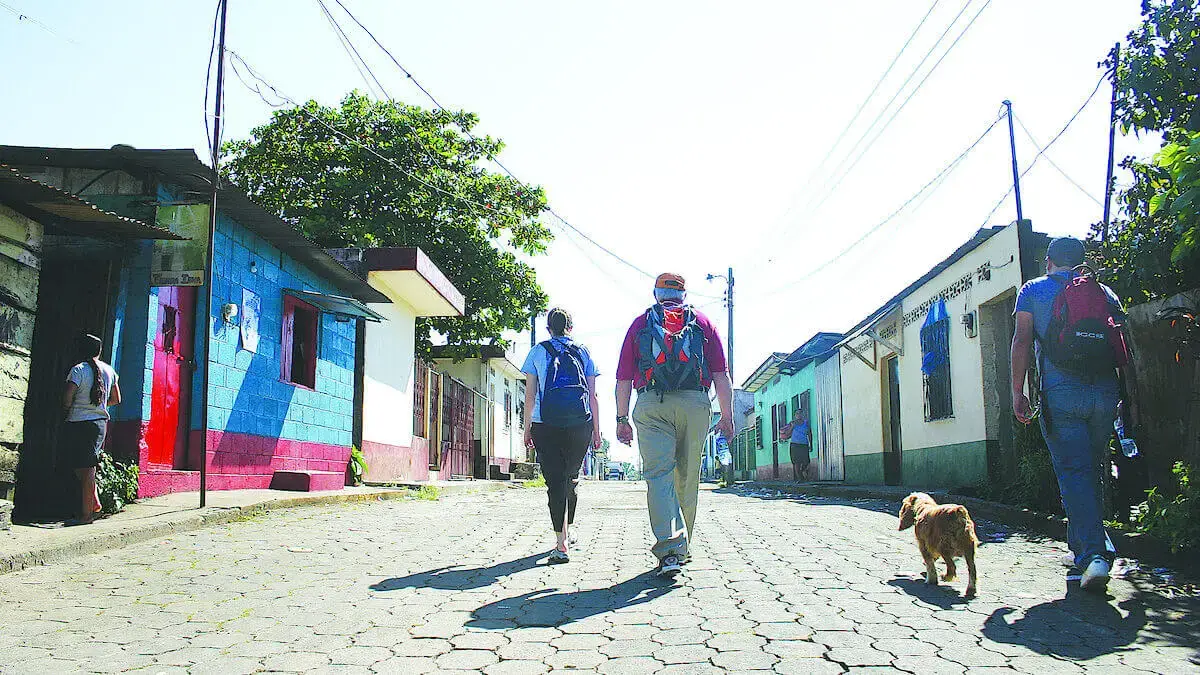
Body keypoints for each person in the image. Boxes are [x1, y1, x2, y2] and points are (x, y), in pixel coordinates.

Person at [1010, 236, 1137, 593]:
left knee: (1074, 472)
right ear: (1080, 261)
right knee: (1089, 470)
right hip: (1104, 394)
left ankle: (1094, 556)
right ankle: (1086, 548)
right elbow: (1122, 343)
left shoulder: (1033, 290)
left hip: (1061, 394)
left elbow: (1021, 341)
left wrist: (1017, 392)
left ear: (1049, 261)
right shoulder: (1105, 292)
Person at [615, 273, 734, 577]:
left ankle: (670, 548)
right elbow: (721, 375)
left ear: (656, 294)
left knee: (659, 476)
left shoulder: (640, 324)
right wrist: (727, 417)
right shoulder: (702, 323)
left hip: (652, 403)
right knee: (687, 478)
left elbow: (624, 378)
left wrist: (621, 419)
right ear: (683, 295)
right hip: (695, 404)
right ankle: (683, 548)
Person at [522, 308, 602, 564]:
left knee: (554, 482)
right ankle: (569, 529)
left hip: (545, 423)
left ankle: (561, 542)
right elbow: (592, 396)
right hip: (581, 424)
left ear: (548, 328)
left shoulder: (538, 351)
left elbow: (530, 395)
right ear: (571, 327)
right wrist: (597, 432)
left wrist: (526, 428)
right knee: (571, 479)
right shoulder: (583, 352)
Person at [62, 333, 121, 525]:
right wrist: (98, 406)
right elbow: (116, 399)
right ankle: (93, 500)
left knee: (84, 468)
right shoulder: (109, 370)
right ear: (99, 351)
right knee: (84, 466)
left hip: (77, 422)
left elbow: (67, 398)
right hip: (98, 424)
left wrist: (68, 409)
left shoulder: (78, 370)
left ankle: (87, 516)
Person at [785, 409, 811, 482]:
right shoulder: (792, 423)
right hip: (795, 445)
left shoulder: (806, 423)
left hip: (804, 444)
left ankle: (803, 471)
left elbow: (809, 434)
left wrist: (810, 444)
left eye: (800, 413)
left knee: (806, 461)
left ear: (803, 415)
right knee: (797, 462)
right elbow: (787, 433)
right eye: (797, 414)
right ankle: (800, 478)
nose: (799, 415)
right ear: (795, 415)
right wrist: (792, 427)